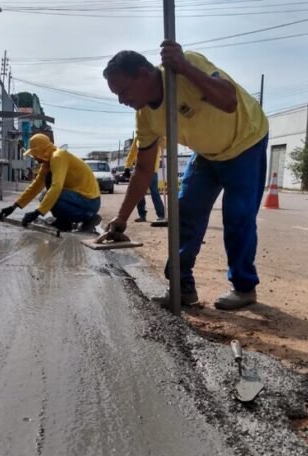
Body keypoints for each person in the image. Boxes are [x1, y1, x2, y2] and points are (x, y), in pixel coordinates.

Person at [102, 43, 269, 310]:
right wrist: (121, 217)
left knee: (238, 216)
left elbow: (228, 101)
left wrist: (185, 68)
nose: (122, 100)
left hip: (245, 141)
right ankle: (182, 287)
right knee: (184, 214)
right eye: (117, 95)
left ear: (144, 74)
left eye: (123, 91)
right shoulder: (145, 117)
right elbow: (143, 170)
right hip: (206, 153)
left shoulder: (183, 67)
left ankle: (244, 288)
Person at [0, 133, 101, 232]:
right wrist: (13, 207)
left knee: (51, 195)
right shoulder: (47, 163)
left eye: (35, 154)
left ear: (41, 151)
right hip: (79, 199)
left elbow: (57, 186)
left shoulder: (58, 156)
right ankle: (66, 220)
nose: (35, 158)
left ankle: (86, 219)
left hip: (90, 201)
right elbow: (35, 186)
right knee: (44, 196)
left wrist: (37, 213)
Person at [125, 137, 166, 223]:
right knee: (139, 193)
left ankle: (161, 214)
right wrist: (127, 166)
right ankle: (142, 215)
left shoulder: (157, 136)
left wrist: (162, 134)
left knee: (154, 192)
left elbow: (165, 144)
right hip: (139, 169)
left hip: (151, 169)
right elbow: (132, 152)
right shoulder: (138, 137)